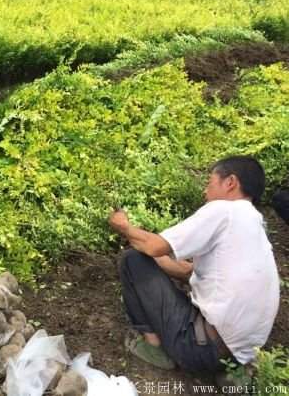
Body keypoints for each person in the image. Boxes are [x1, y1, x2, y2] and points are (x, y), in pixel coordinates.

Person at [109, 156, 279, 374]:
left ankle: (154, 348)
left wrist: (125, 228)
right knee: (144, 259)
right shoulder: (255, 223)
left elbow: (154, 246)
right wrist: (150, 251)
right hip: (240, 354)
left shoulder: (224, 211)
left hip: (198, 349)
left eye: (210, 183)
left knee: (132, 261)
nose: (205, 192)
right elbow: (189, 271)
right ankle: (229, 373)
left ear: (230, 183)